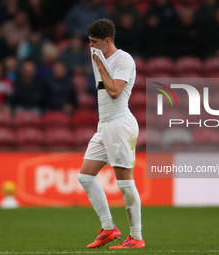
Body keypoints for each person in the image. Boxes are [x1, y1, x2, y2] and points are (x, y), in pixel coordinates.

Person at [78, 19, 144, 249]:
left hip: (120, 124)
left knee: (125, 184)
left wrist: (100, 63)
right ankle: (108, 228)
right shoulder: (99, 56)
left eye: (94, 42)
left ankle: (136, 237)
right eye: (89, 42)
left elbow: (115, 91)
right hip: (104, 125)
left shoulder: (123, 59)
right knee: (85, 177)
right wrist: (98, 59)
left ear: (107, 41)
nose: (90, 46)